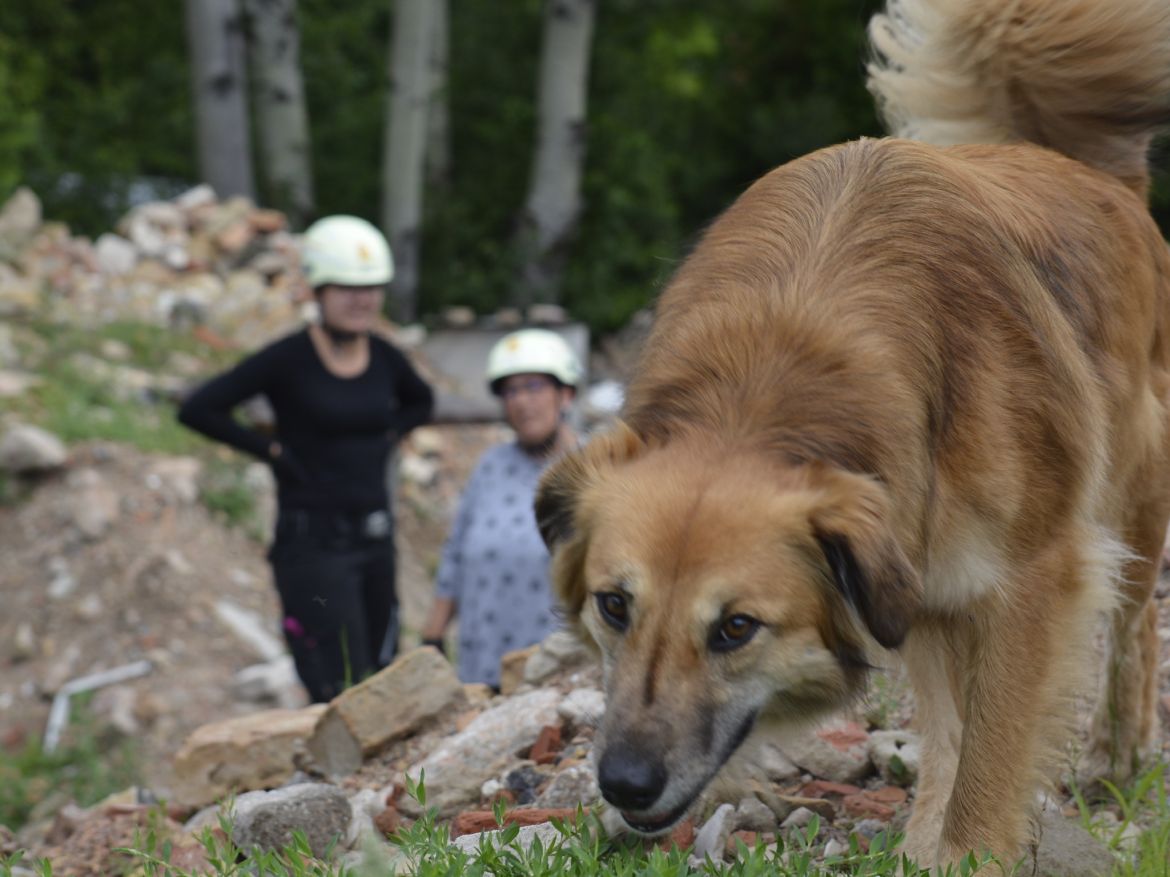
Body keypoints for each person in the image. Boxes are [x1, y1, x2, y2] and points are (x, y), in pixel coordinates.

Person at [177, 215, 434, 702]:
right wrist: (271, 451)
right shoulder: (288, 359)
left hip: (374, 542)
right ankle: (339, 779)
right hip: (312, 548)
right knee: (339, 680)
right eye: (346, 287)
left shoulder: (384, 357)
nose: (361, 299)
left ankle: (380, 780)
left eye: (371, 287)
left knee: (381, 671)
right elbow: (199, 408)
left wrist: (388, 435)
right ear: (318, 290)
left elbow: (422, 401)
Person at [420, 328, 581, 689]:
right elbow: (456, 554)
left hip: (553, 676)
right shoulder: (490, 466)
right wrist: (432, 636)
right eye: (510, 390)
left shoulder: (590, 470)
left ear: (565, 394)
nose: (522, 401)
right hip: (480, 666)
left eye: (534, 386)